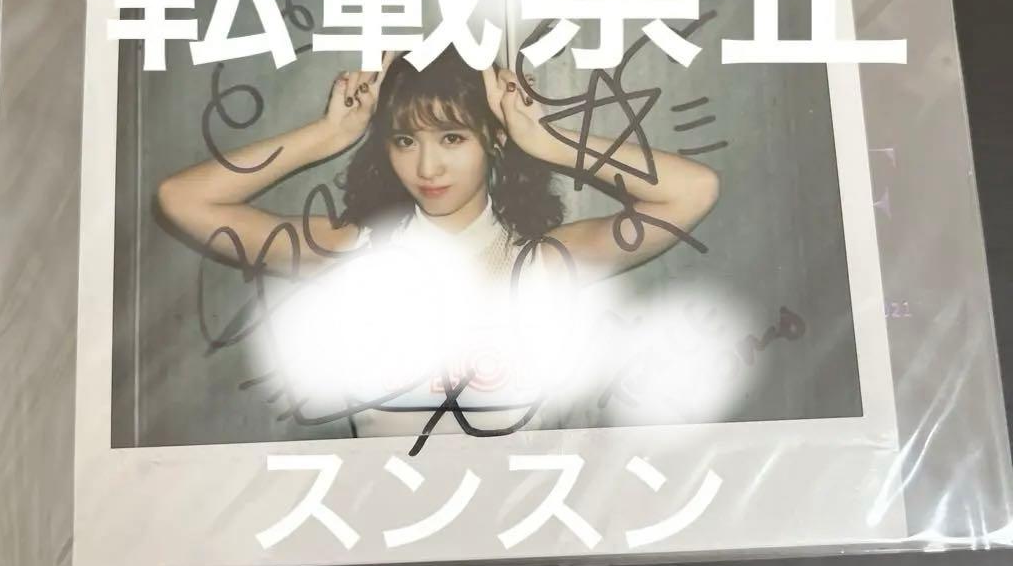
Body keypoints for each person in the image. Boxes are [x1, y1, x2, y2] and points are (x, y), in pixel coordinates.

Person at [156, 46, 720, 437]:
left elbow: (692, 191)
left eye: (452, 137)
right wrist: (328, 134)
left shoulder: (542, 262)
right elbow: (183, 199)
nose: (427, 167)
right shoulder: (350, 253)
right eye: (405, 140)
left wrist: (544, 140)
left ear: (491, 138)